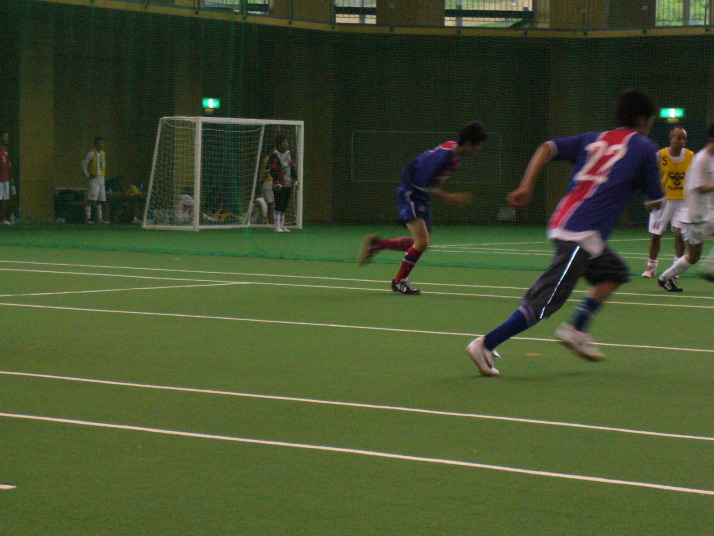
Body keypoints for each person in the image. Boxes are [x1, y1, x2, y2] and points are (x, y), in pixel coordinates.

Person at [466, 89, 663, 377]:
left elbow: (547, 147)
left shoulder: (593, 139)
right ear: (643, 120)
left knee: (614, 273)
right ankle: (486, 343)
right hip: (580, 234)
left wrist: (526, 185)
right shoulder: (645, 149)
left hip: (570, 223)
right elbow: (655, 203)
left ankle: (576, 329)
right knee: (544, 302)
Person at [357, 121, 487, 295]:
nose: (478, 149)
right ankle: (399, 281)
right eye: (477, 145)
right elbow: (421, 183)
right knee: (422, 242)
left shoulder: (455, 152)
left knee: (422, 243)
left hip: (420, 195)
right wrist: (449, 197)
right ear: (469, 143)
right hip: (411, 193)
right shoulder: (443, 158)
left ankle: (378, 244)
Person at [657, 122, 714, 291]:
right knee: (693, 256)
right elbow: (699, 187)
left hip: (705, 214)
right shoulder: (701, 159)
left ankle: (665, 278)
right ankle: (709, 269)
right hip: (694, 217)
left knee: (693, 256)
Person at [642, 126, 693, 277]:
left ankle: (676, 268)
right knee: (656, 235)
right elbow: (651, 177)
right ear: (671, 138)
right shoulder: (660, 155)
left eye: (684, 138)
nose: (681, 141)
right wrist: (650, 198)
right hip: (663, 200)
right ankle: (651, 267)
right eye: (679, 137)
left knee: (679, 233)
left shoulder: (691, 156)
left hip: (683, 201)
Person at [265, 134, 298, 233]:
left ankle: (282, 225)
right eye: (284, 142)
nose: (286, 144)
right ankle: (277, 226)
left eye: (287, 142)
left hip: (288, 183)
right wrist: (276, 182)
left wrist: (296, 179)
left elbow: (292, 168)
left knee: (285, 204)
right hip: (278, 184)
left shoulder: (289, 154)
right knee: (278, 204)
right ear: (279, 145)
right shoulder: (274, 156)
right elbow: (272, 170)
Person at [81, 136, 108, 224]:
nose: (101, 144)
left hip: (101, 178)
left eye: (102, 143)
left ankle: (99, 219)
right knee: (90, 199)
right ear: (95, 143)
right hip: (94, 178)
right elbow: (84, 164)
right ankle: (88, 218)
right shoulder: (91, 153)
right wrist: (87, 175)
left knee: (100, 199)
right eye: (99, 142)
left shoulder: (103, 153)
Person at [0, 132, 14, 225]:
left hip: (6, 178)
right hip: (0, 178)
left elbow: (9, 164)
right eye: (5, 137)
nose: (7, 139)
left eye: (7, 137)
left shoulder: (6, 149)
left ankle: (3, 219)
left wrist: (11, 177)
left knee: (5, 199)